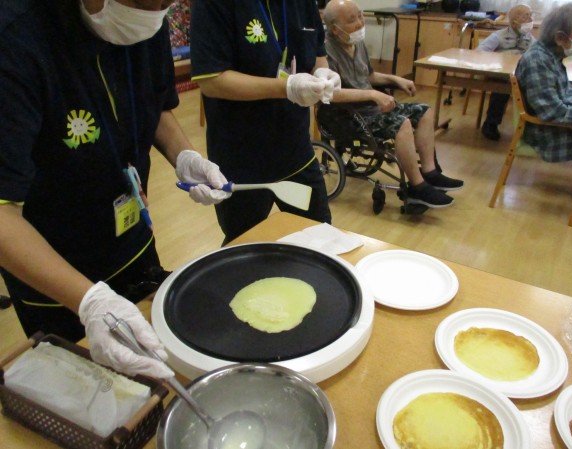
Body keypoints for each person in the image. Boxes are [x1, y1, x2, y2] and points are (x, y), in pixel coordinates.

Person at [0, 0, 231, 379]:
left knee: (158, 374)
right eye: (146, 2)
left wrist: (184, 155)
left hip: (133, 237)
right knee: (95, 395)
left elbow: (154, 104)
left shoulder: (145, 22)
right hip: (55, 276)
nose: (156, 13)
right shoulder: (16, 40)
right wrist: (89, 302)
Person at [190, 0, 341, 244]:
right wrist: (286, 87)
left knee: (321, 237)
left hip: (297, 152)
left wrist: (323, 74)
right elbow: (212, 80)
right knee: (244, 244)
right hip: (241, 160)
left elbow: (317, 54)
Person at [322, 0, 464, 208]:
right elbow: (331, 94)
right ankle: (417, 188)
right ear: (335, 28)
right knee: (401, 123)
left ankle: (430, 172)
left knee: (424, 112)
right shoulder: (325, 51)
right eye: (352, 20)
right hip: (343, 115)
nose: (360, 23)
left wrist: (396, 79)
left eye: (360, 16)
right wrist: (373, 94)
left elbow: (369, 76)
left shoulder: (356, 42)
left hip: (369, 108)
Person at [515, 2, 572, 162]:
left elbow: (562, 93)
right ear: (560, 37)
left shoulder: (551, 55)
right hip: (552, 136)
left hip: (563, 128)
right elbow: (552, 112)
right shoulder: (538, 60)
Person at [476, 4, 535, 141]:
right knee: (501, 86)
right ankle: (491, 123)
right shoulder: (499, 36)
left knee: (535, 87)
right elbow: (479, 52)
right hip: (502, 74)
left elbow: (538, 55)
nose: (531, 19)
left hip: (521, 74)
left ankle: (531, 126)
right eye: (526, 16)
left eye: (531, 15)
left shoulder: (530, 38)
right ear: (514, 21)